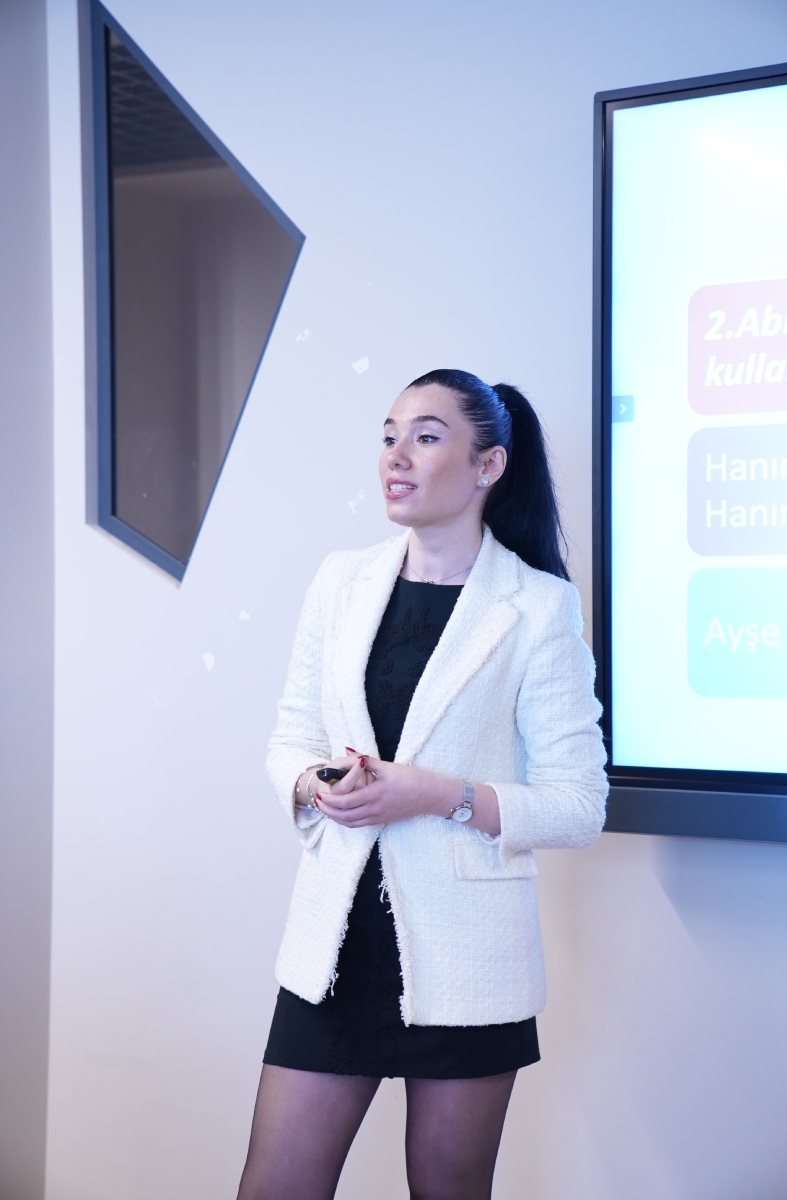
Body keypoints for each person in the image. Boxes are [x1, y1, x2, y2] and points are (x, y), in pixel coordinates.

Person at [236, 369, 608, 1200]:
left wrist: (436, 793)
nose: (396, 456)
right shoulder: (339, 580)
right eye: (388, 436)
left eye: (426, 437)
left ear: (488, 466)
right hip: (334, 950)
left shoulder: (539, 607)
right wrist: (315, 783)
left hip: (467, 963)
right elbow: (290, 737)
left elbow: (579, 804)